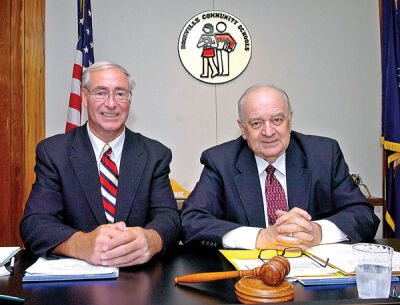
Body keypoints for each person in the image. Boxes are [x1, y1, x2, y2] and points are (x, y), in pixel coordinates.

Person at [181, 85, 379, 250]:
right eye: (256, 123)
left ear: (289, 120)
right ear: (243, 128)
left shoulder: (324, 155)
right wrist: (261, 237)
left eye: (277, 120)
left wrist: (317, 232)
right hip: (247, 283)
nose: (268, 132)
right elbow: (191, 221)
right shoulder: (221, 161)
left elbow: (363, 215)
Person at [20, 62, 180, 267]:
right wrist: (81, 244)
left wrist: (152, 239)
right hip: (74, 289)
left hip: (139, 281)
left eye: (121, 94)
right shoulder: (54, 152)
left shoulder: (155, 154)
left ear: (130, 100)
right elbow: (35, 224)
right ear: (84, 97)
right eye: (101, 93)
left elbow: (169, 218)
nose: (111, 103)